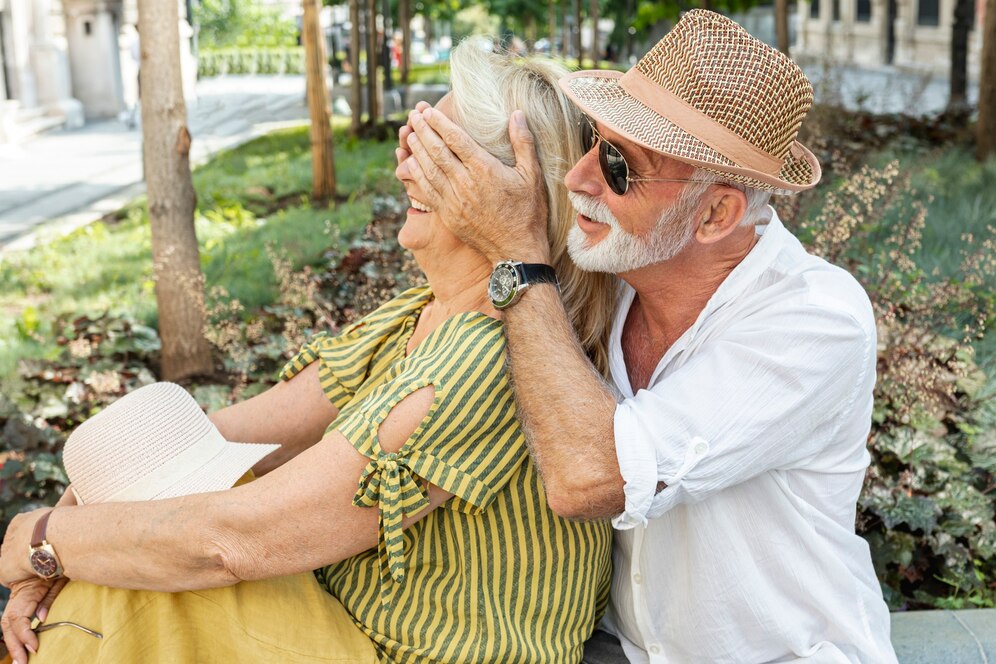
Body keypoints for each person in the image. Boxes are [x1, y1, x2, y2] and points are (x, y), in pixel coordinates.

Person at [0, 44, 615, 664]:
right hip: (343, 628)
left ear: (506, 194)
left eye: (437, 156)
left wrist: (46, 540)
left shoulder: (488, 355)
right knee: (121, 575)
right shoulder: (418, 313)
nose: (403, 170)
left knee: (137, 595)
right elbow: (194, 442)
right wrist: (53, 551)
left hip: (408, 654)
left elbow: (236, 540)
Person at [397, 10, 899, 664]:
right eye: (590, 144)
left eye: (617, 165)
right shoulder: (610, 275)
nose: (577, 179)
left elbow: (590, 478)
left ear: (716, 213)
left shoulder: (814, 321)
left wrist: (517, 255)